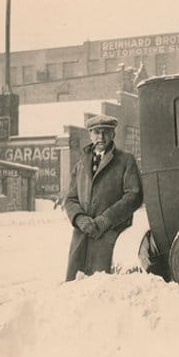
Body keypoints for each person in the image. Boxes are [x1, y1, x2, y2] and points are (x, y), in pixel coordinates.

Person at [64, 113, 143, 281]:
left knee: (105, 290)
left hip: (112, 235)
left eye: (106, 132)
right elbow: (70, 199)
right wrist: (80, 219)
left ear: (113, 134)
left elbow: (134, 195)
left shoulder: (125, 160)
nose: (101, 136)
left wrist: (105, 220)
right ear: (90, 134)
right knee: (75, 290)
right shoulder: (80, 164)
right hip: (82, 238)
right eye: (97, 132)